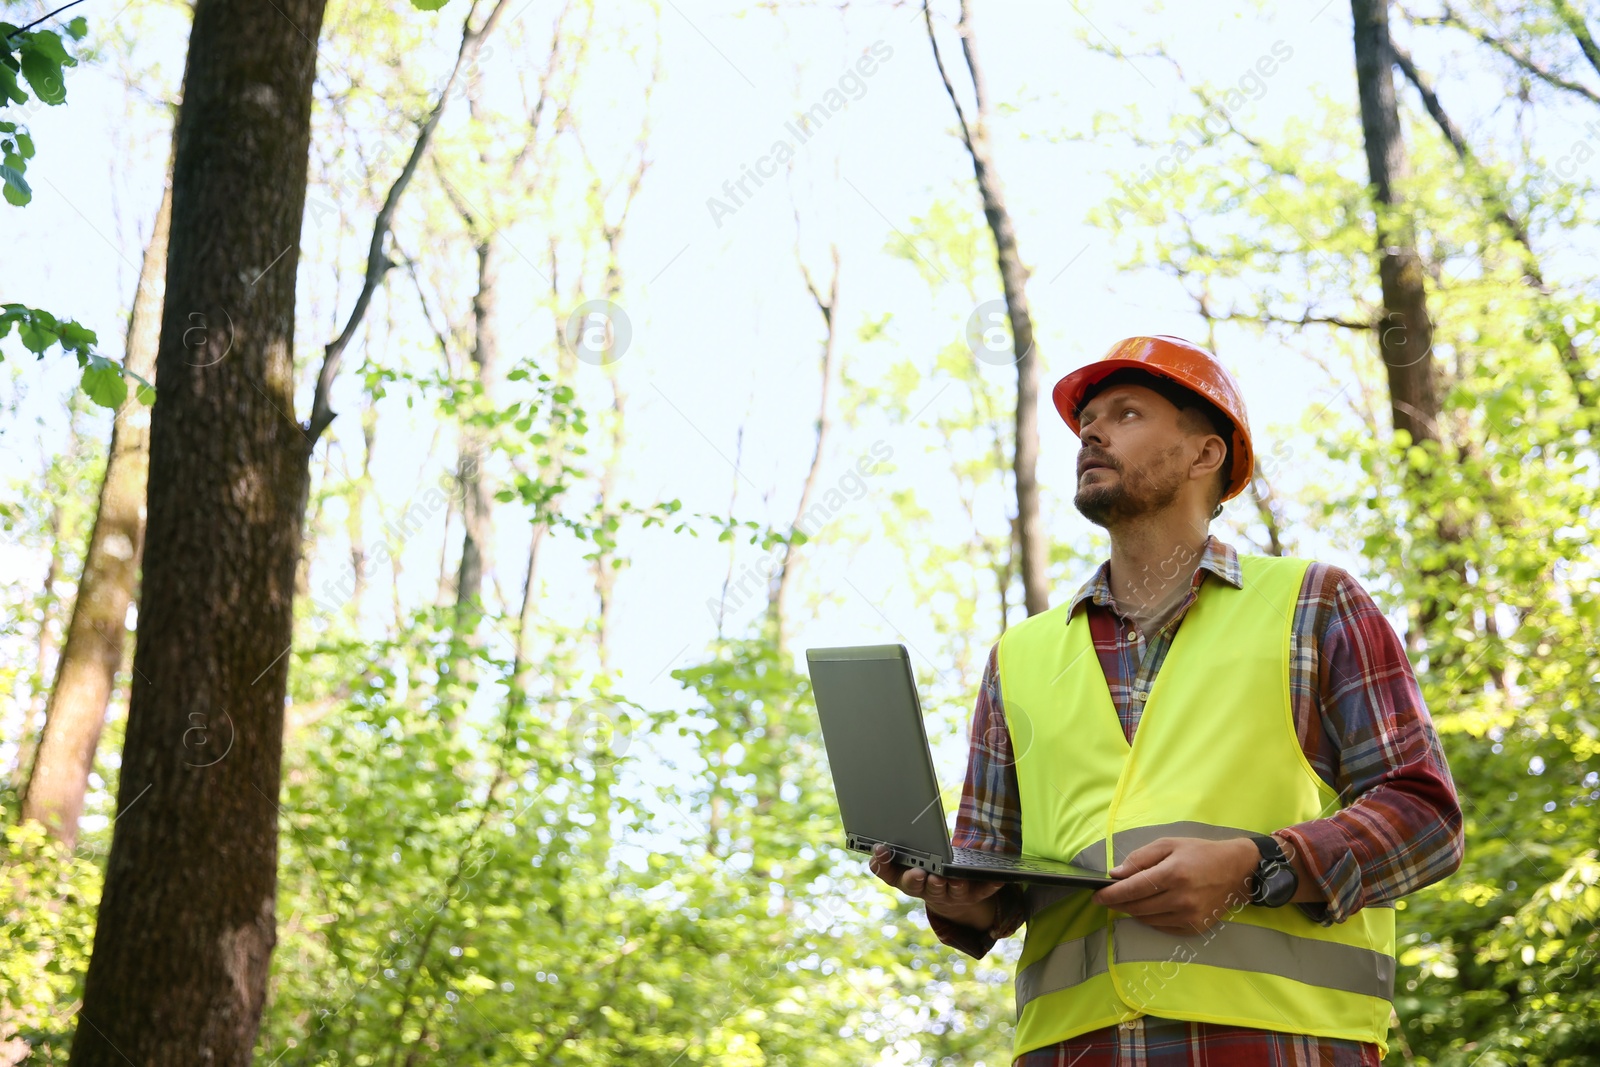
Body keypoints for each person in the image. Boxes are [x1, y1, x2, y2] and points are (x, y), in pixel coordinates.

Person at [868, 335, 1464, 1065]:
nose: (1090, 432)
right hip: (1072, 1051)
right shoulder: (1016, 659)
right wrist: (957, 897)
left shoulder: (1314, 603)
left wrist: (1259, 865)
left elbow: (1427, 817)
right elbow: (995, 882)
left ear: (1203, 454)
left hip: (1280, 1044)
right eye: (1087, 420)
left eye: (1125, 414)